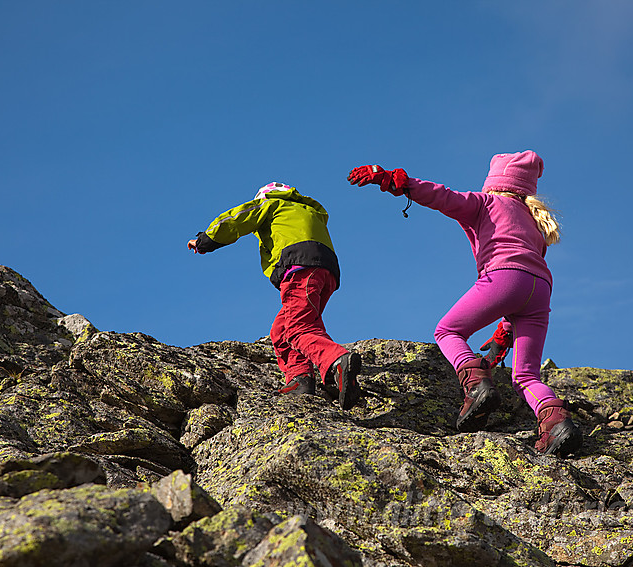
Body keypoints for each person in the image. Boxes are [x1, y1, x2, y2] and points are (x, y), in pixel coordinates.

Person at [347, 152, 582, 456]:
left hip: (503, 277)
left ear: (495, 182)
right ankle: (556, 422)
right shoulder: (534, 221)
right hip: (540, 289)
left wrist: (396, 181)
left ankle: (476, 384)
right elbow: (526, 279)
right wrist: (504, 333)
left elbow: (444, 197)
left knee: (447, 331)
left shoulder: (486, 203)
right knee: (526, 376)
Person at [187, 182, 362, 410]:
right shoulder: (308, 211)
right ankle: (300, 379)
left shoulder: (271, 205)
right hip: (325, 272)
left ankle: (336, 360)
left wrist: (204, 241)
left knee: (299, 329)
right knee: (280, 331)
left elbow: (236, 219)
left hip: (299, 268)